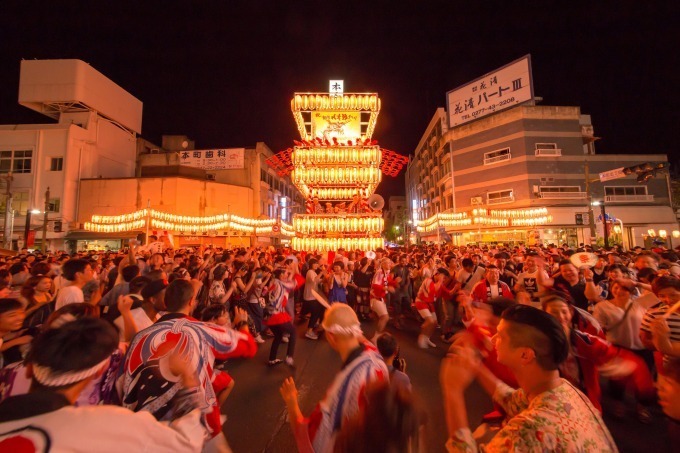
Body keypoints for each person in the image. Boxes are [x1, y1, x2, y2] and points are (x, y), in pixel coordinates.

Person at [0, 317, 206, 452]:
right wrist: (188, 380)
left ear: (29, 368)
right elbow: (186, 444)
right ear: (99, 370)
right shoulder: (108, 423)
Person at [440, 304, 618, 452]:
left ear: (525, 355)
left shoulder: (530, 430)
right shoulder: (564, 388)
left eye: (501, 336)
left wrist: (453, 391)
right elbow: (513, 399)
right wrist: (476, 366)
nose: (493, 339)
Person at [121, 279, 257, 442]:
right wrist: (242, 323)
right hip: (196, 430)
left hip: (146, 433)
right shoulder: (202, 330)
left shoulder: (139, 338)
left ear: (166, 303)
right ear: (192, 302)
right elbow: (249, 347)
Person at [279, 304, 388, 453]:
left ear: (330, 336)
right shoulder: (376, 357)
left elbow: (311, 442)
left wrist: (291, 403)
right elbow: (362, 339)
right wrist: (343, 318)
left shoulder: (341, 391)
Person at [265, 268, 301, 366]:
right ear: (281, 275)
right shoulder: (281, 284)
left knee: (278, 336)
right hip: (277, 314)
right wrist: (295, 270)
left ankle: (272, 359)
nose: (286, 275)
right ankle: (289, 356)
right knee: (293, 332)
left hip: (270, 314)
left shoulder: (273, 283)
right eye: (285, 274)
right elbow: (294, 283)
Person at [414, 267, 454, 349]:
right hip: (421, 302)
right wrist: (440, 281)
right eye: (444, 277)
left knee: (435, 323)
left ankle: (427, 337)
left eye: (445, 278)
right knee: (430, 321)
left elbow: (449, 293)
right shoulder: (428, 280)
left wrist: (458, 288)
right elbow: (432, 291)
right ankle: (422, 337)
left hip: (429, 304)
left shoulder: (440, 284)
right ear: (438, 275)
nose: (444, 280)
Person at [369, 258, 397, 344]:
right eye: (388, 263)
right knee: (385, 317)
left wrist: (395, 282)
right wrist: (388, 288)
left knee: (380, 318)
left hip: (380, 298)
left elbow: (388, 282)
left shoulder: (386, 273)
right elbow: (375, 285)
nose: (390, 264)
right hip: (375, 298)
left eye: (390, 263)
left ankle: (377, 335)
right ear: (383, 264)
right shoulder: (380, 272)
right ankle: (376, 337)